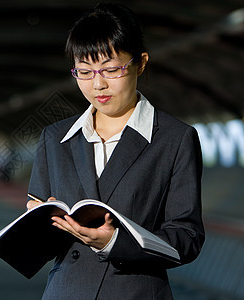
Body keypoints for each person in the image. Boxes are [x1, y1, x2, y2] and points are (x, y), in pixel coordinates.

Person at [26, 3, 204, 299]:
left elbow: (187, 239)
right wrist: (39, 226)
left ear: (140, 63)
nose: (98, 84)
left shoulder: (175, 138)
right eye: (84, 71)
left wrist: (114, 243)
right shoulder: (54, 138)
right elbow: (38, 248)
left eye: (111, 69)